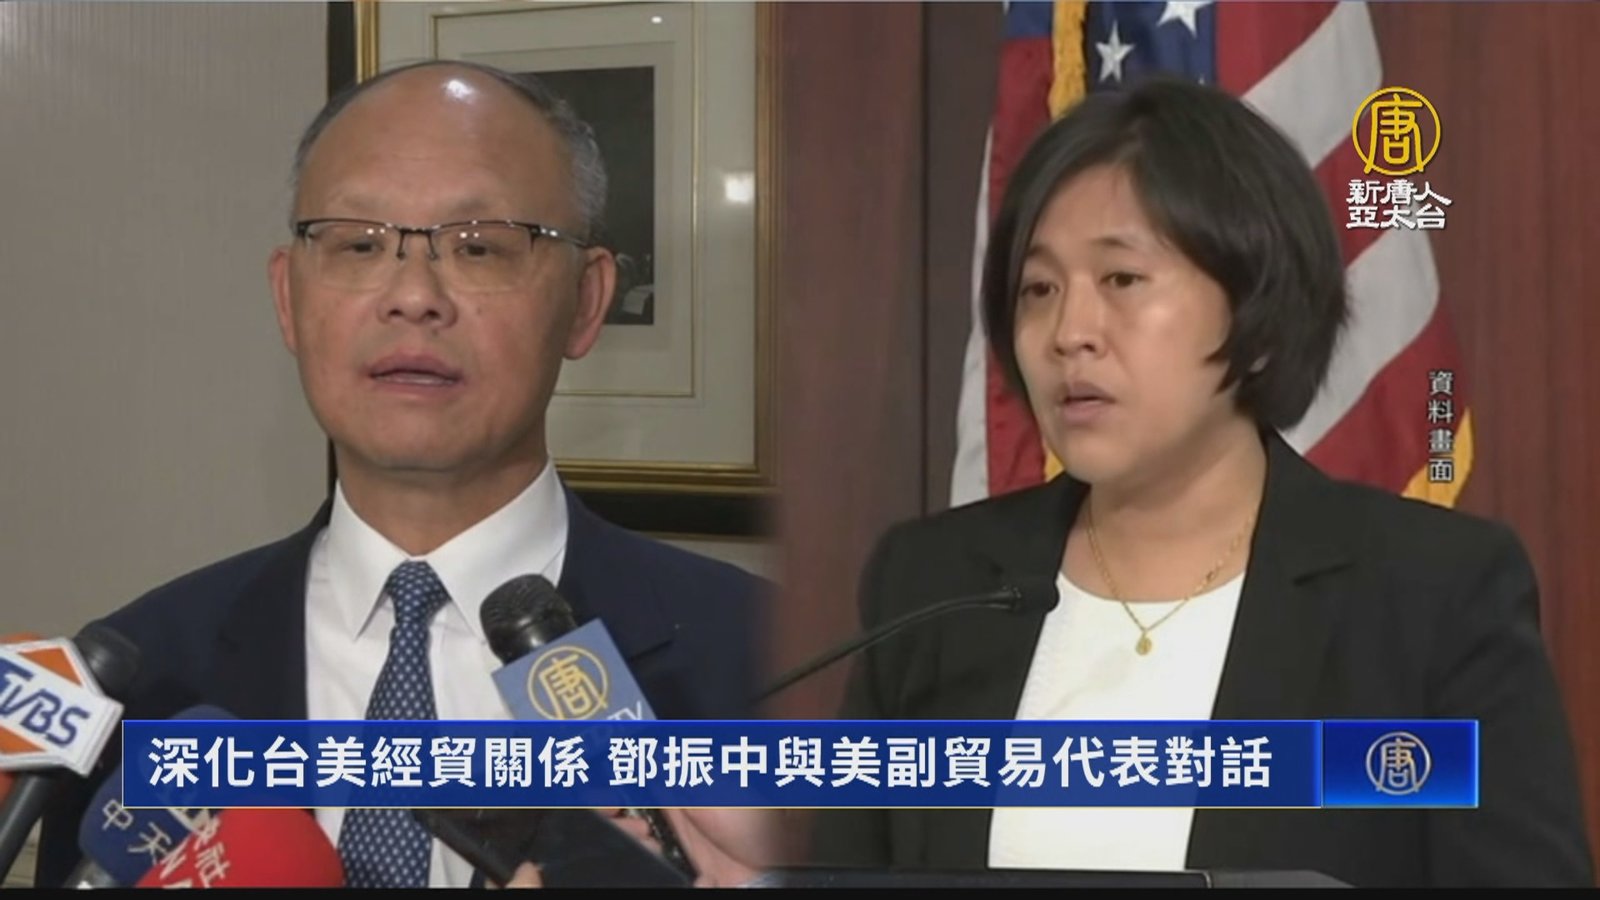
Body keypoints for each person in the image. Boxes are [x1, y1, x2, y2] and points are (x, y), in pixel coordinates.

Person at [808, 77, 1593, 887]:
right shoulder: (932, 586)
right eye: (1039, 289)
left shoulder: (1431, 599)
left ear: (1257, 313)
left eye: (1122, 279)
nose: (1068, 333)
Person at [34, 60, 771, 888]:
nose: (414, 296)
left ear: (587, 301)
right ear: (287, 298)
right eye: (358, 243)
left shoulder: (770, 664)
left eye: (480, 246)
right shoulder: (140, 682)